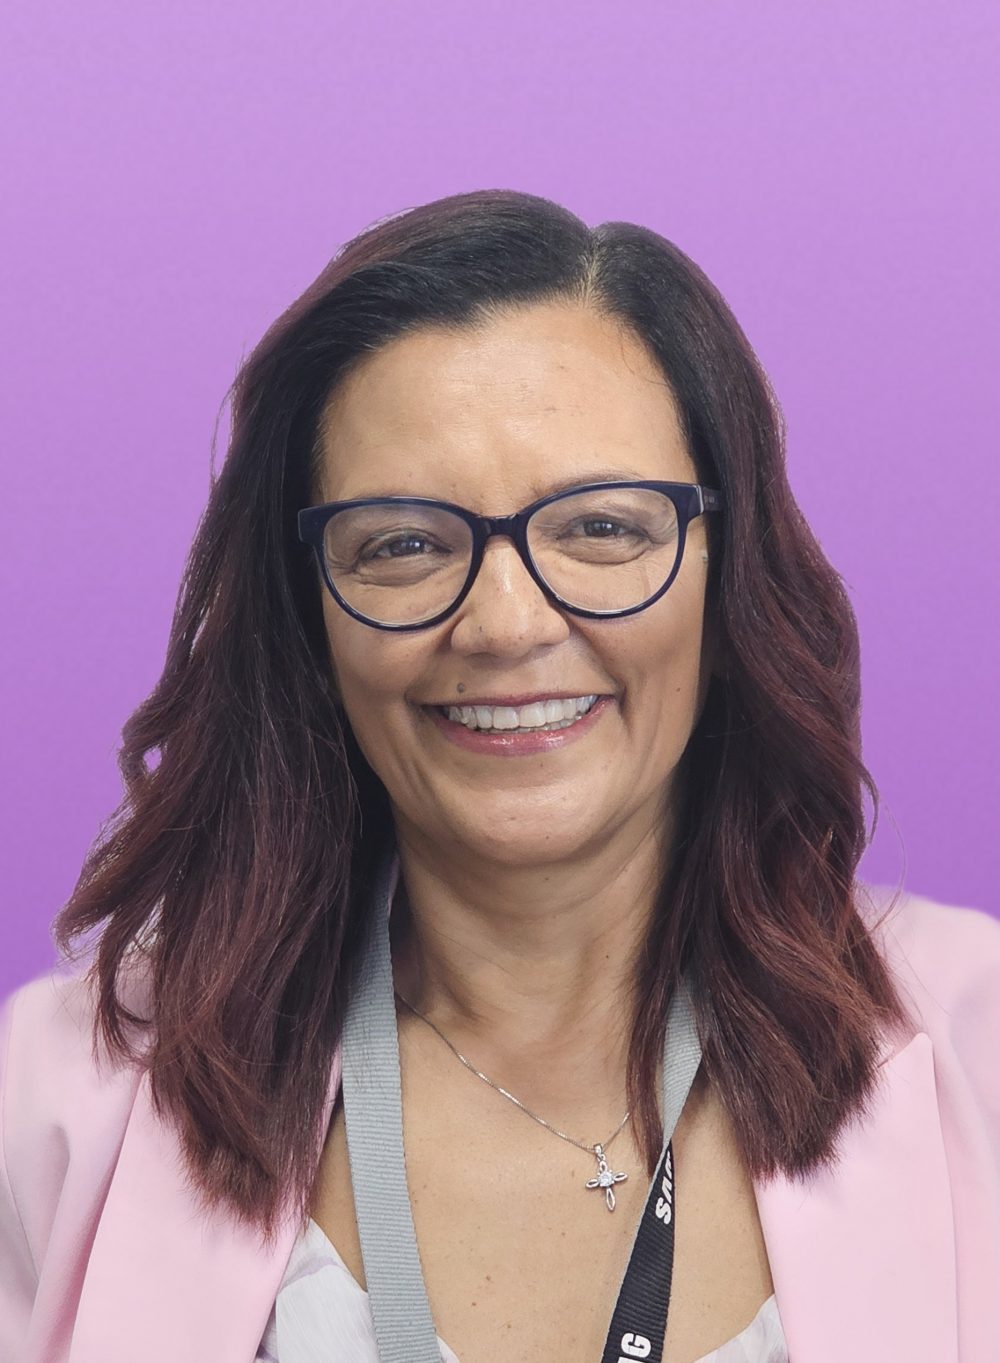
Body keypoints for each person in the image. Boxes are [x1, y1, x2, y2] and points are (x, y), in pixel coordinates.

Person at [1, 189, 997, 1363]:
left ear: (729, 585)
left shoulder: (978, 1040)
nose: (506, 623)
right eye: (404, 543)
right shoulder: (53, 1092)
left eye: (602, 528)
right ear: (309, 619)